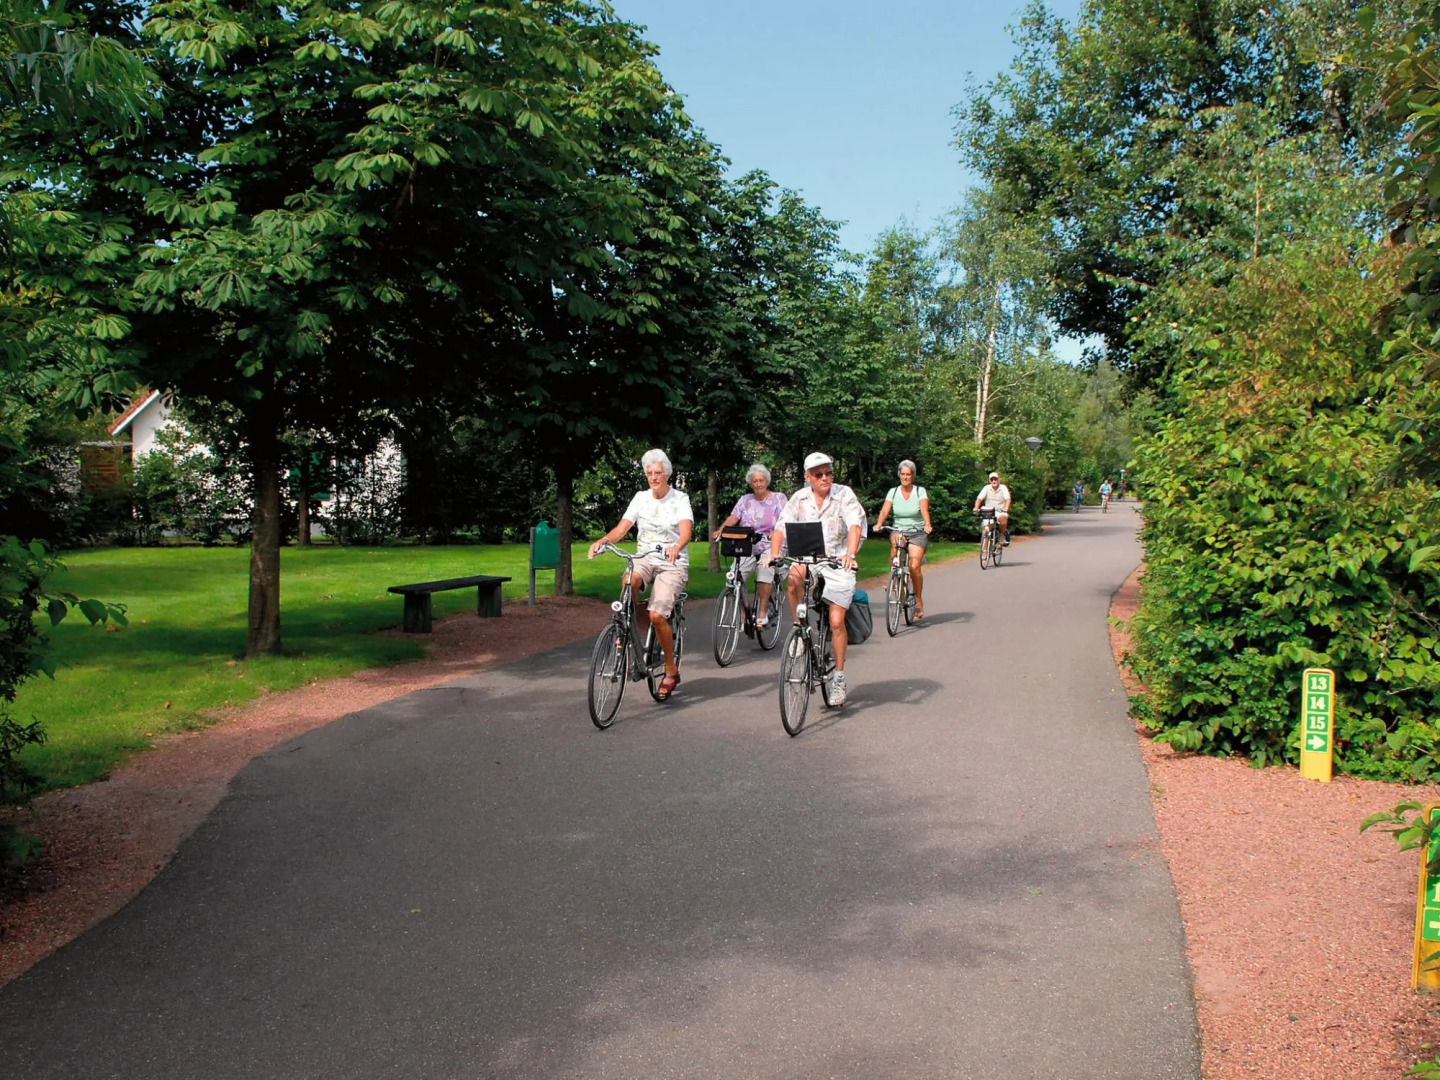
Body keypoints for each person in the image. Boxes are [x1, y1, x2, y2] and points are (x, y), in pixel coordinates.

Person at [588, 449, 692, 700]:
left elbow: (686, 530)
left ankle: (670, 669)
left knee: (658, 614)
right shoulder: (640, 498)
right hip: (645, 557)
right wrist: (603, 540)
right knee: (629, 579)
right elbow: (623, 527)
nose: (653, 477)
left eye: (658, 473)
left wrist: (677, 546)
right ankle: (630, 626)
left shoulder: (680, 499)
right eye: (649, 473)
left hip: (672, 561)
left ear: (667, 474)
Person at [767, 452, 866, 706]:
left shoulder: (844, 495)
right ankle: (800, 628)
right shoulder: (799, 499)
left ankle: (840, 680)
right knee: (792, 577)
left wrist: (851, 554)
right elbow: (781, 527)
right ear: (807, 477)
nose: (825, 478)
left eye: (829, 472)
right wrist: (775, 553)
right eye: (819, 474)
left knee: (835, 621)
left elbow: (855, 524)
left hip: (838, 561)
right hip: (809, 559)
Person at [718, 463, 788, 628]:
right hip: (748, 544)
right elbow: (733, 517)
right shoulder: (745, 500)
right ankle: (743, 612)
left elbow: (787, 520)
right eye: (755, 481)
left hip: (772, 544)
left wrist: (777, 532)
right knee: (735, 576)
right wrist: (721, 530)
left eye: (761, 480)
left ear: (767, 481)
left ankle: (762, 613)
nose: (758, 484)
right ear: (751, 483)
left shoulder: (779, 499)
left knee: (765, 569)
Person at [873, 459, 934, 619]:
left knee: (914, 566)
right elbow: (885, 509)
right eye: (903, 474)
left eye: (908, 474)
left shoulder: (920, 491)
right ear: (899, 474)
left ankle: (918, 600)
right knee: (895, 550)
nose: (905, 477)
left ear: (913, 476)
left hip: (917, 532)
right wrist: (879, 523)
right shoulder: (893, 492)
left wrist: (927, 523)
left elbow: (924, 509)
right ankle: (894, 578)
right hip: (898, 530)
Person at [973, 471, 1012, 545]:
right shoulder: (986, 488)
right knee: (985, 530)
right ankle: (984, 552)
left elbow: (1007, 499)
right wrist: (976, 508)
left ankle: (1001, 535)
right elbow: (979, 499)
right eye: (992, 479)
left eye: (995, 479)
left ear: (998, 480)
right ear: (989, 481)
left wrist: (1006, 507)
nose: (994, 481)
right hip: (989, 511)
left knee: (1003, 519)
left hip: (1000, 511)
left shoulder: (1003, 488)